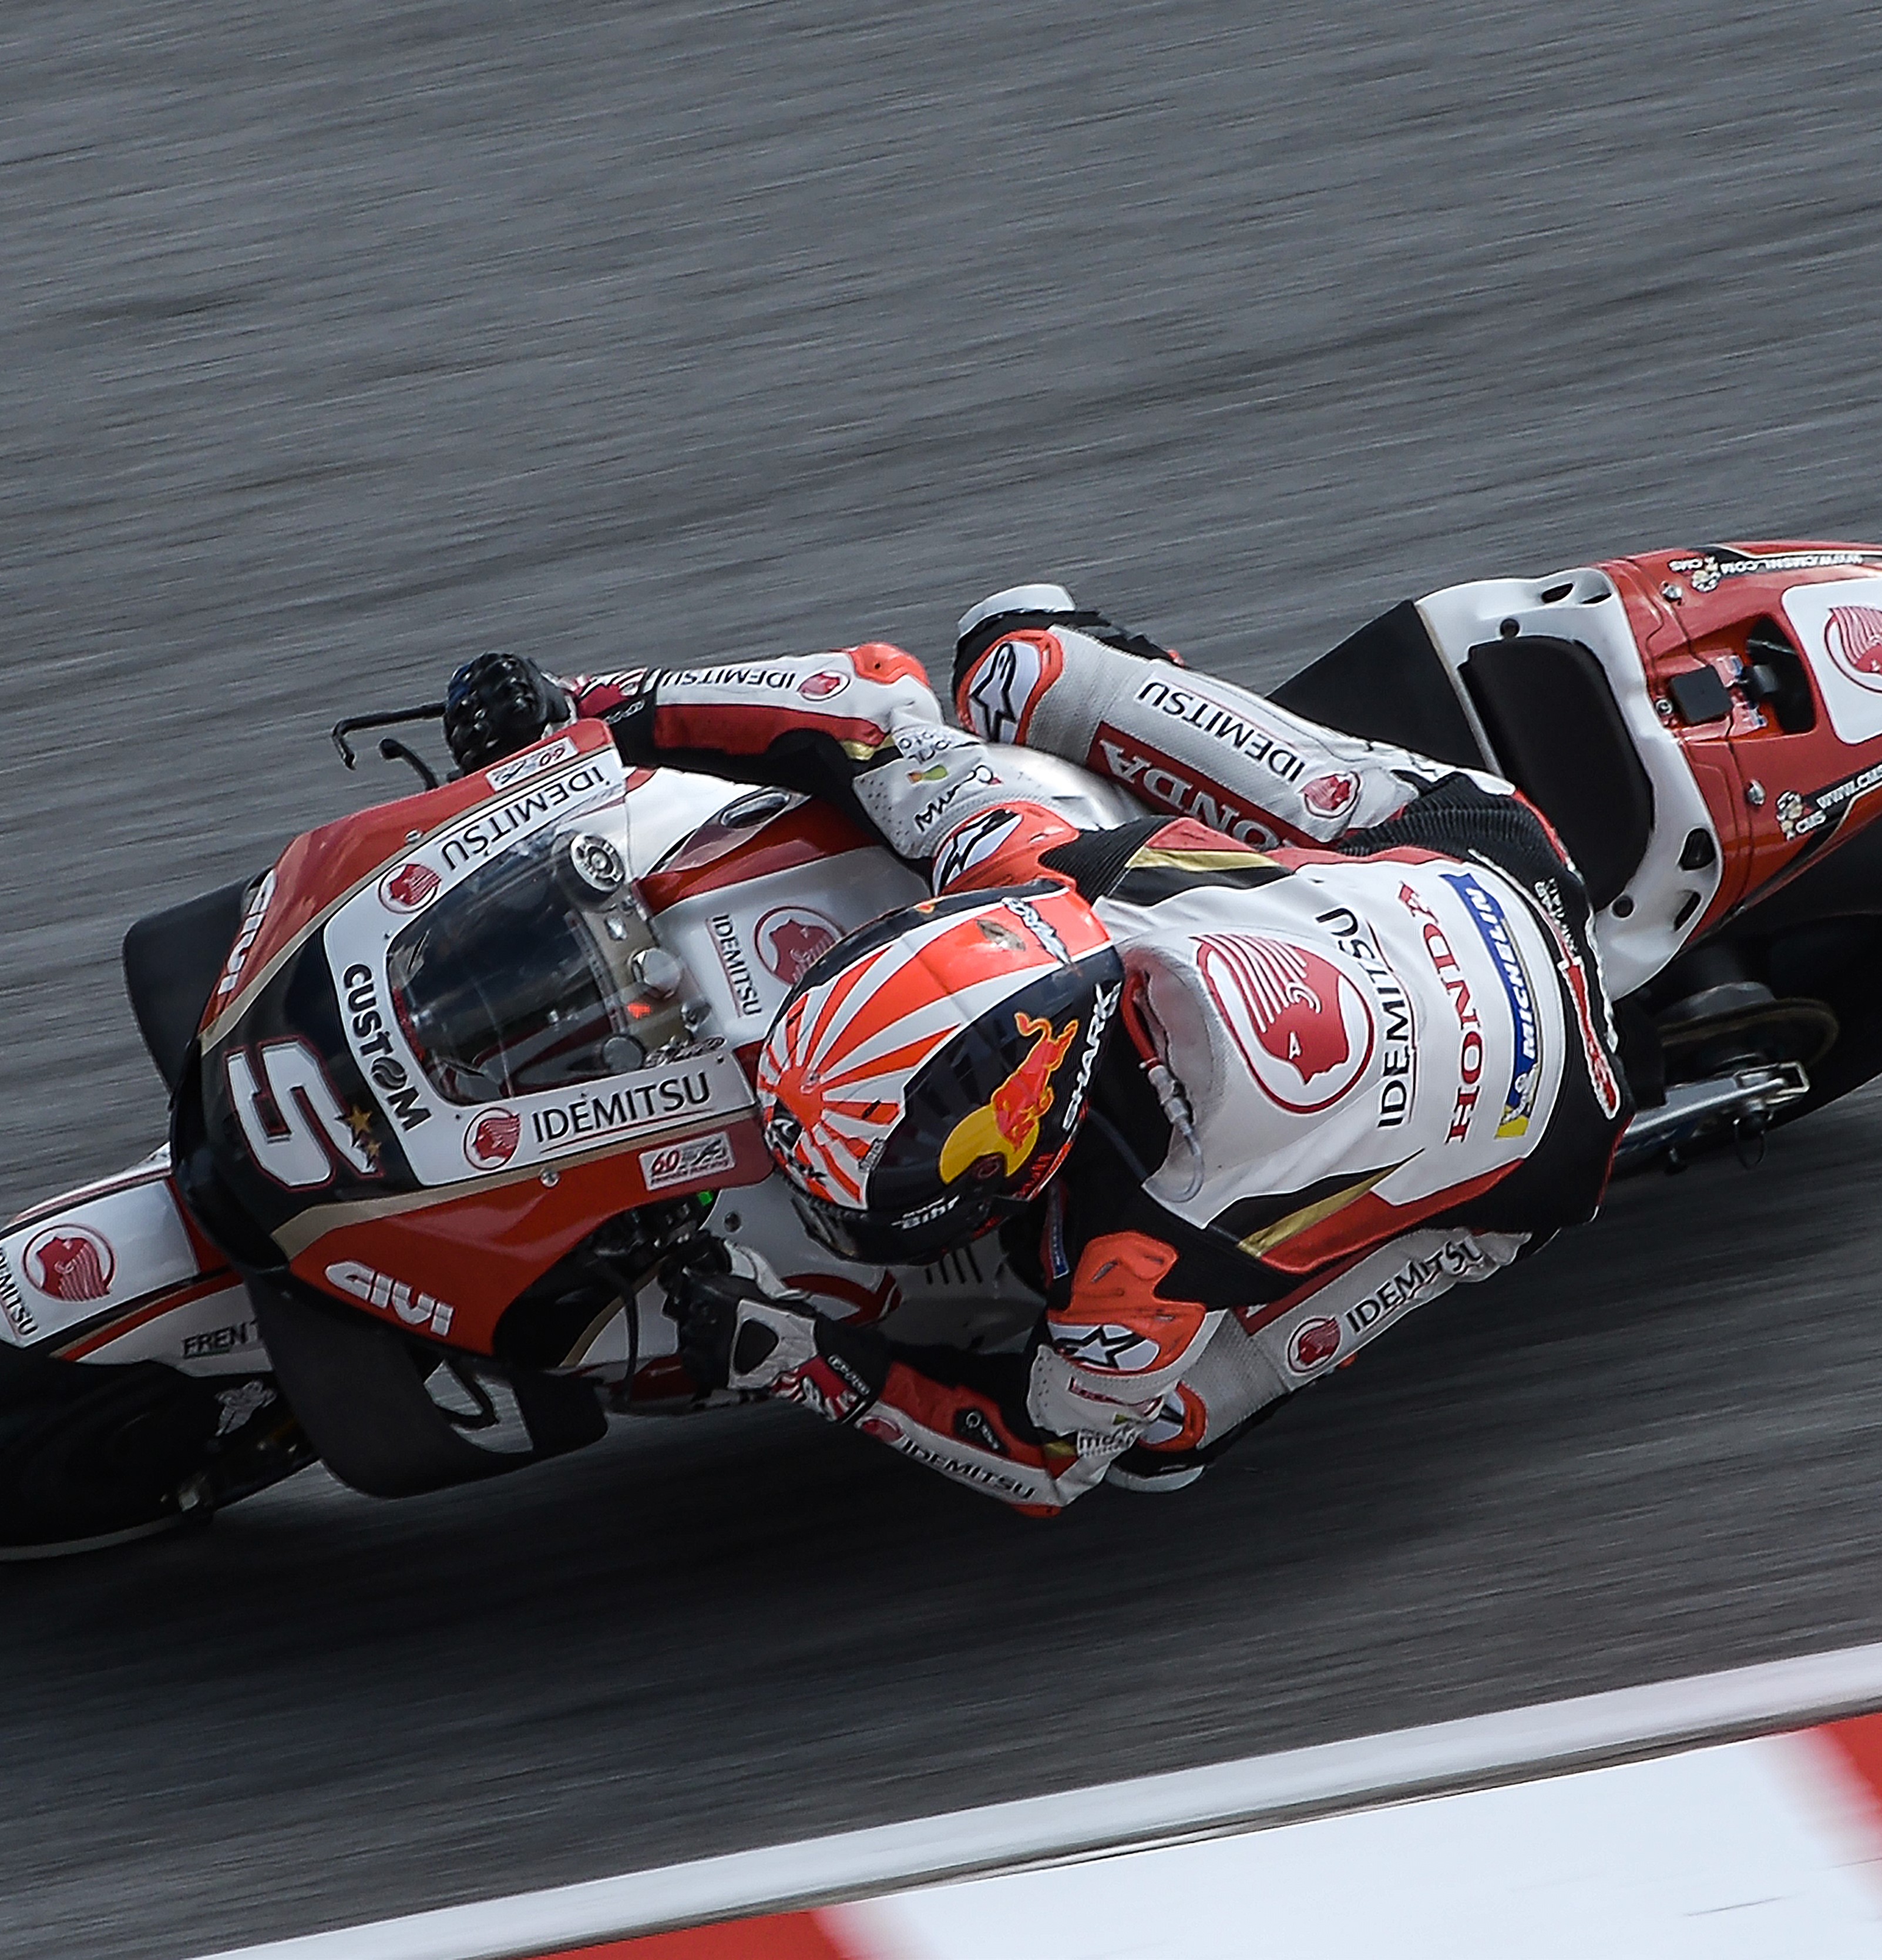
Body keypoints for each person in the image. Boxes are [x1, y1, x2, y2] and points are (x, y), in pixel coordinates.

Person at [440, 586, 1629, 1512]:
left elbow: (1047, 1455)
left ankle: (1454, 1228)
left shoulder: (1134, 1264)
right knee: (1018, 659)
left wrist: (796, 1356)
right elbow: (863, 708)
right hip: (1471, 860)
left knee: (1155, 1441)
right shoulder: (1028, 867)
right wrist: (580, 706)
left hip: (1554, 1113)